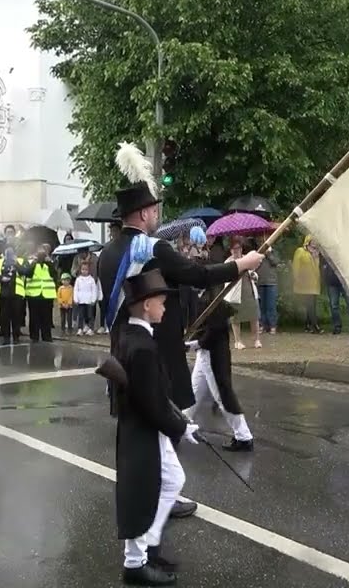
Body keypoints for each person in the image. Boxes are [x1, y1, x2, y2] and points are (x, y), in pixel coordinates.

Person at [98, 142, 262, 521]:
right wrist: (241, 264)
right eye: (154, 210)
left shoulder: (108, 253)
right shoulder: (150, 248)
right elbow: (197, 274)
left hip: (123, 349)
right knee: (160, 424)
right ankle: (160, 500)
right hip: (154, 351)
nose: (157, 215)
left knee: (142, 428)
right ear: (143, 213)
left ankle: (154, 494)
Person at [114, 269, 197, 586]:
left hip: (143, 426)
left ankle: (146, 547)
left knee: (172, 480)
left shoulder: (132, 336)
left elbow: (150, 393)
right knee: (142, 492)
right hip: (144, 430)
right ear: (147, 306)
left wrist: (177, 420)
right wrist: (181, 427)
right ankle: (135, 562)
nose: (165, 308)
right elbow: (151, 403)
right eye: (161, 302)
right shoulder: (143, 347)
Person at [183, 280, 254, 451]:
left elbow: (214, 332)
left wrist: (193, 345)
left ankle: (244, 437)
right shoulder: (205, 299)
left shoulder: (213, 303)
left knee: (223, 396)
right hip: (205, 354)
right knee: (194, 391)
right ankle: (181, 426)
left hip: (214, 356)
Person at [23, 246, 58, 342]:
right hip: (33, 294)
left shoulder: (50, 263)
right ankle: (34, 336)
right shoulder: (32, 262)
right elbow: (27, 273)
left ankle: (46, 336)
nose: (41, 256)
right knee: (34, 317)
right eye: (40, 253)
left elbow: (54, 274)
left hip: (47, 294)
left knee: (47, 317)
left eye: (43, 253)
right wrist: (34, 263)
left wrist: (49, 263)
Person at [0, 247, 25, 340]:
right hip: (3, 292)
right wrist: (1, 278)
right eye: (7, 253)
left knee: (16, 315)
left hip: (17, 292)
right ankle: (5, 335)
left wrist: (16, 263)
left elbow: (24, 272)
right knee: (4, 315)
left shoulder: (20, 261)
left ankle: (16, 335)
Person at [291, 236, 321, 333]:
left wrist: (316, 257)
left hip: (314, 283)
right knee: (310, 305)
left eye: (316, 241)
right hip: (304, 282)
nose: (314, 242)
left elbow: (317, 268)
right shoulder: (300, 251)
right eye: (313, 240)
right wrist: (296, 278)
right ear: (308, 241)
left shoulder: (316, 253)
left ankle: (307, 325)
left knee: (312, 305)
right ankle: (315, 326)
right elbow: (296, 266)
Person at [74, 262, 100, 335]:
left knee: (90, 315)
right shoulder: (78, 279)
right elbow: (76, 290)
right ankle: (80, 329)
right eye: (83, 269)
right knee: (81, 316)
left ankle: (91, 328)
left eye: (86, 269)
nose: (84, 271)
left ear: (89, 270)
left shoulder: (91, 280)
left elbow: (94, 290)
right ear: (80, 270)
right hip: (81, 301)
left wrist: (93, 299)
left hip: (89, 300)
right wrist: (76, 299)